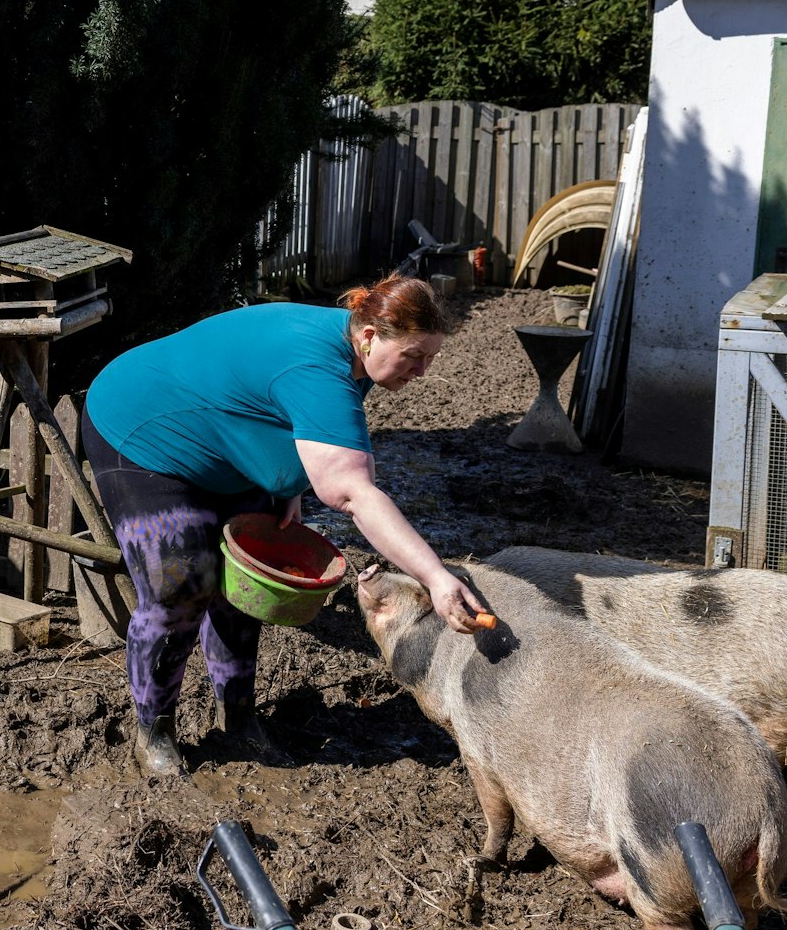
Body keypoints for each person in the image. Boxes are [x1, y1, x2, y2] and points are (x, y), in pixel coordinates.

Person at [81, 274, 485, 777]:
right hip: (144, 431)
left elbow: (290, 413)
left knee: (247, 581)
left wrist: (289, 482)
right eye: (414, 356)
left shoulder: (354, 350)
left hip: (220, 440)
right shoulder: (317, 365)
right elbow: (354, 493)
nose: (422, 371)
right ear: (369, 335)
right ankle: (155, 733)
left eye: (430, 358)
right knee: (181, 588)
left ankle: (239, 718)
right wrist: (435, 577)